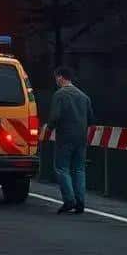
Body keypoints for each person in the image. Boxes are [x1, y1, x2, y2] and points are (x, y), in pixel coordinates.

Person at [47, 66, 93, 214]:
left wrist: (48, 129)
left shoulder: (60, 95)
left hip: (65, 136)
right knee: (79, 169)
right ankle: (80, 202)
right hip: (81, 138)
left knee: (62, 168)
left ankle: (69, 200)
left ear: (60, 77)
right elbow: (91, 119)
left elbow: (55, 117)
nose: (56, 81)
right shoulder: (84, 96)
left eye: (56, 78)